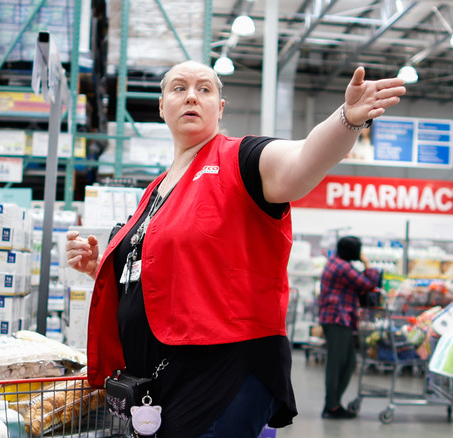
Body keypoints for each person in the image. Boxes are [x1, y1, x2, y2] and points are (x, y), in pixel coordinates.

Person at [66, 61, 405, 437]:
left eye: (204, 89)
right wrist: (101, 267)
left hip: (223, 374)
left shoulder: (241, 160)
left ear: (220, 107)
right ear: (162, 106)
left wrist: (346, 120)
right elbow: (165, 273)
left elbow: (302, 160)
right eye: (178, 88)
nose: (191, 95)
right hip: (161, 378)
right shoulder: (156, 189)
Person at [317, 236, 382, 419]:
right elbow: (369, 283)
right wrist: (367, 263)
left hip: (338, 318)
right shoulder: (343, 267)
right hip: (337, 318)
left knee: (348, 362)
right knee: (337, 364)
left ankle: (334, 404)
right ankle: (331, 406)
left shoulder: (336, 262)